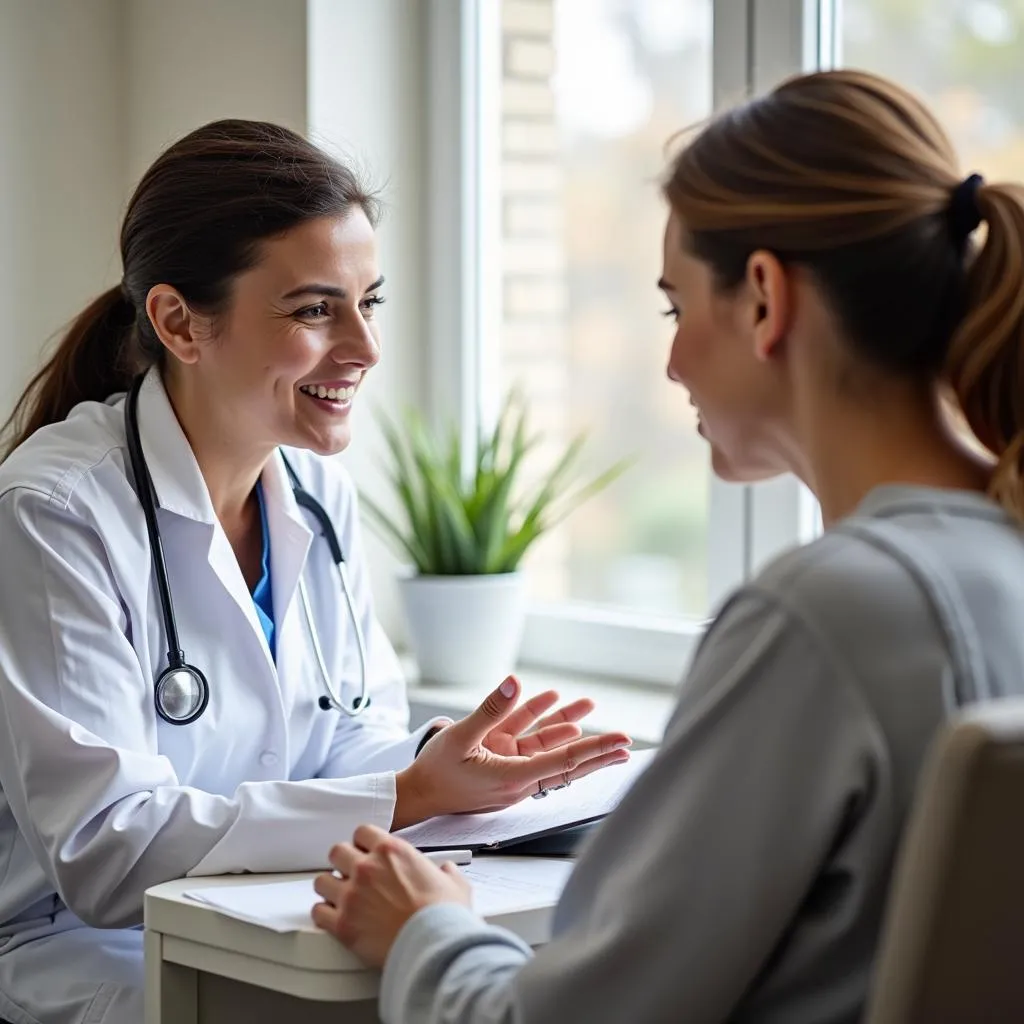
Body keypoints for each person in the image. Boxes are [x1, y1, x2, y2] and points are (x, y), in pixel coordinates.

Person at [311, 68, 1024, 1023]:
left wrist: (426, 932)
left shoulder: (825, 620)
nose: (674, 361)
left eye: (675, 307)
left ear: (766, 299)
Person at [0, 119, 632, 1024]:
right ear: (180, 322)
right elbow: (106, 853)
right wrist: (406, 795)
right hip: (77, 945)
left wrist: (438, 761)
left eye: (368, 302)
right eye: (312, 310)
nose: (365, 348)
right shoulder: (56, 515)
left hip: (260, 911)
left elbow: (341, 739)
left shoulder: (316, 492)